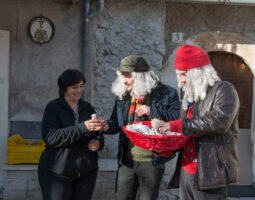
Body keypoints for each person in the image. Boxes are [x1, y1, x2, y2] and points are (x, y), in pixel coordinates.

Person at [158, 45, 240, 200]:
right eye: (179, 75)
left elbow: (218, 122)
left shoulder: (224, 89)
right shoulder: (191, 96)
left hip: (211, 173)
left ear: (198, 72)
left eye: (184, 74)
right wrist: (165, 146)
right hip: (186, 171)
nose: (181, 80)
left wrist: (176, 125)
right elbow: (184, 132)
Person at [99, 55, 180, 200]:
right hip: (127, 159)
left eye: (128, 76)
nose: (124, 80)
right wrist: (106, 126)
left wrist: (152, 111)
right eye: (122, 76)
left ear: (142, 75)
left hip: (152, 161)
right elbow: (116, 124)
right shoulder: (123, 96)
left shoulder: (166, 93)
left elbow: (175, 119)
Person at [38, 69, 104, 200]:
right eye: (74, 87)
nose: (79, 90)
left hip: (86, 173)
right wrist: (82, 128)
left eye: (81, 86)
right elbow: (51, 137)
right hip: (57, 174)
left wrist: (98, 143)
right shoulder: (53, 108)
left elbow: (97, 134)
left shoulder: (88, 108)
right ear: (64, 89)